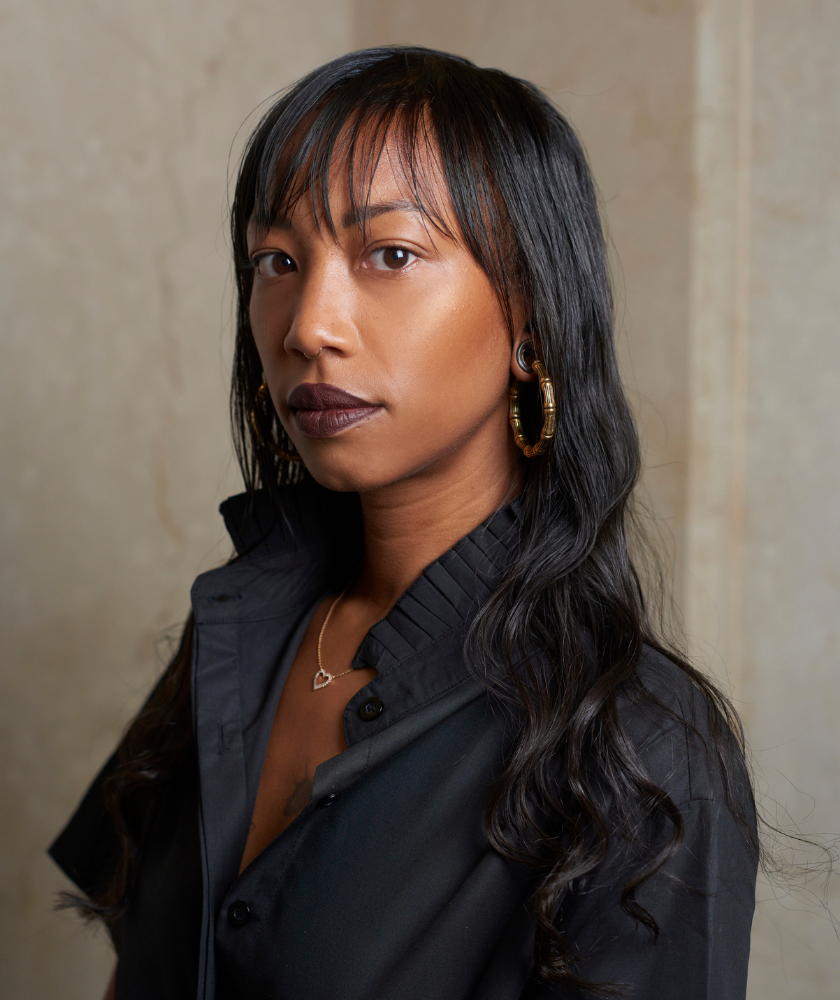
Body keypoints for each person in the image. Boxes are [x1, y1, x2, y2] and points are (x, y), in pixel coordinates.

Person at [50, 46, 758, 1000]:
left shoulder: (644, 753)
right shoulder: (238, 629)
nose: (307, 325)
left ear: (531, 322)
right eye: (277, 261)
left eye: (391, 254)